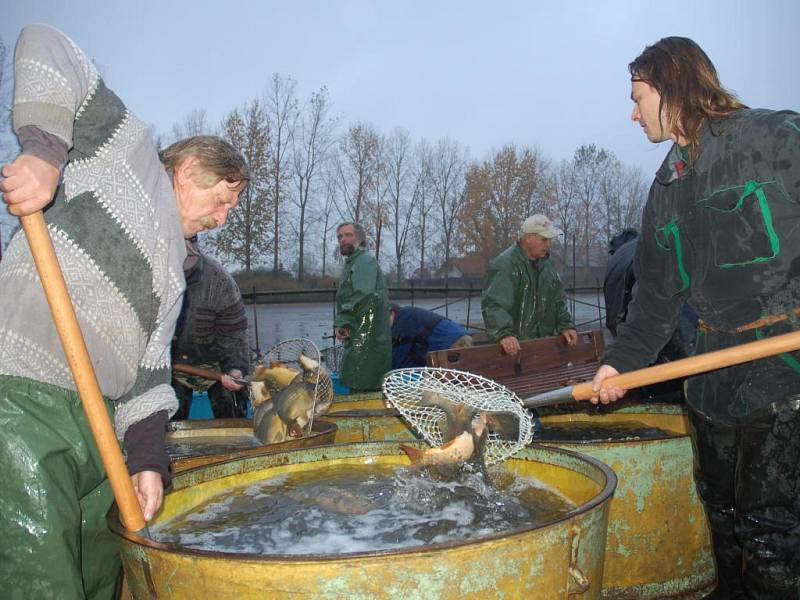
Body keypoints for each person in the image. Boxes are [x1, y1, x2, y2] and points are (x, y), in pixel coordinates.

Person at [0, 24, 248, 599]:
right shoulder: (127, 154)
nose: (224, 217)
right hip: (23, 399)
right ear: (188, 169)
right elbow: (46, 43)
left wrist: (147, 462)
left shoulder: (172, 276)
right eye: (223, 199)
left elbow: (152, 375)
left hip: (100, 428)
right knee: (41, 579)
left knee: (98, 578)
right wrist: (43, 151)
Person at [591, 36, 800, 599]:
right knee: (725, 523)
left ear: (674, 86)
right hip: (711, 377)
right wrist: (617, 366)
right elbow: (655, 302)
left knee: (774, 533)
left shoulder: (775, 138)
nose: (632, 113)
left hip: (785, 369)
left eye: (638, 97)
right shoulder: (666, 188)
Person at [171, 237, 250, 419]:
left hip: (216, 364)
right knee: (164, 425)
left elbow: (234, 334)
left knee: (233, 415)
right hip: (169, 366)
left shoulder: (220, 281)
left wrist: (236, 369)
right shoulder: (153, 275)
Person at [481, 214, 578, 358]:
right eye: (544, 239)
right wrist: (504, 334)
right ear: (528, 238)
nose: (548, 244)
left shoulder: (548, 266)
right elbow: (494, 304)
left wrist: (566, 325)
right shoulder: (505, 265)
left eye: (550, 239)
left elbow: (559, 300)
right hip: (513, 351)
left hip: (544, 348)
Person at [334, 222, 391, 390]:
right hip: (362, 333)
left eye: (348, 235)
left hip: (366, 337)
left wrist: (344, 322)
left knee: (363, 380)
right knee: (361, 378)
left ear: (360, 239)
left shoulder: (364, 261)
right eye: (339, 236)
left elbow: (362, 296)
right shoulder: (355, 262)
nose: (343, 239)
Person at [389, 303, 473, 368]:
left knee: (450, 376)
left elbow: (400, 356)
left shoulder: (401, 321)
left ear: (392, 313)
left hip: (451, 342)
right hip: (461, 335)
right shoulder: (409, 313)